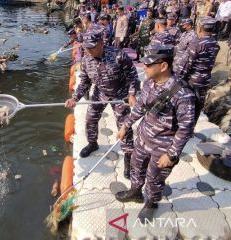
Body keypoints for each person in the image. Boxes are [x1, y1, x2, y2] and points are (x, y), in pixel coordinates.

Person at [116, 44, 196, 223]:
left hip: (163, 147)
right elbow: (139, 107)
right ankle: (135, 192)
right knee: (136, 168)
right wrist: (125, 126)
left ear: (163, 66)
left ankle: (151, 203)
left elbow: (186, 128)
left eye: (149, 64)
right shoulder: (148, 83)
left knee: (154, 179)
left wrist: (172, 154)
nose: (144, 67)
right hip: (144, 139)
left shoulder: (182, 94)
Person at [65, 29, 140, 179]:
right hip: (100, 93)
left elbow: (133, 77)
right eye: (86, 47)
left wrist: (132, 94)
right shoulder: (86, 60)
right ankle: (93, 143)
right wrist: (75, 98)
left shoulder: (119, 55)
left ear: (101, 43)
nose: (89, 50)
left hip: (120, 94)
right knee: (90, 118)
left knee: (124, 126)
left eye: (92, 46)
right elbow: (84, 83)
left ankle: (128, 156)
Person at [174, 16, 220, 120]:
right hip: (205, 79)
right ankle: (191, 129)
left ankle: (183, 129)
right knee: (198, 104)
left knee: (187, 105)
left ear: (200, 27)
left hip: (192, 81)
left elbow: (185, 65)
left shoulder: (196, 43)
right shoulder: (214, 43)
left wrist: (175, 80)